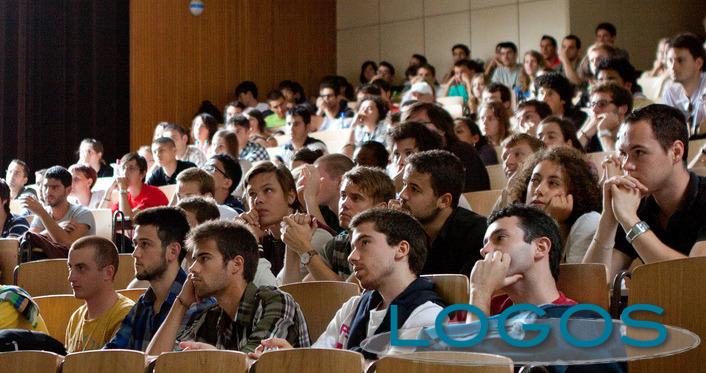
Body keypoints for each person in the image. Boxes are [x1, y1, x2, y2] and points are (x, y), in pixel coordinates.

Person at [252, 208, 446, 359]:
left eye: (365, 243)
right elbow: (320, 362)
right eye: (352, 247)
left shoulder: (429, 319)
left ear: (401, 249)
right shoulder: (353, 307)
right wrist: (292, 358)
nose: (352, 257)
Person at [146, 220, 310, 354]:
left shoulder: (276, 302)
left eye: (204, 258)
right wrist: (181, 304)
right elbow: (154, 363)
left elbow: (256, 362)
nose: (192, 268)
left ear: (236, 264)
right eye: (194, 259)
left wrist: (216, 360)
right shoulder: (212, 316)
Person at [583, 104, 706, 280]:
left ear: (676, 152)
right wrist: (609, 216)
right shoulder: (635, 203)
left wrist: (631, 221)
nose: (626, 165)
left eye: (639, 152)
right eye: (623, 154)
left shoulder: (631, 212)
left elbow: (697, 279)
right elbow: (591, 284)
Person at [104, 207, 191, 351]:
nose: (135, 253)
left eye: (145, 244)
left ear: (173, 251)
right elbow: (112, 355)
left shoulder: (195, 305)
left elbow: (168, 365)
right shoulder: (143, 304)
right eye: (135, 244)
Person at [391, 150, 487, 274]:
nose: (403, 195)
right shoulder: (404, 230)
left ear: (444, 201)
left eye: (414, 189)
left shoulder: (477, 235)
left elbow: (462, 290)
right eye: (404, 184)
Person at [507, 147, 601, 263]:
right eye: (535, 180)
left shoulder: (588, 222)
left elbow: (562, 280)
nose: (538, 190)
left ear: (574, 193)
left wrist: (553, 223)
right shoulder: (515, 229)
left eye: (553, 183)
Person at [237, 162, 331, 277]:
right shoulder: (261, 237)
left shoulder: (313, 235)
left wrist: (255, 245)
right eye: (252, 194)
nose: (258, 200)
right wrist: (240, 239)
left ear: (291, 196)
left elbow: (277, 291)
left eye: (268, 190)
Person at [176, 196, 277, 287]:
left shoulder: (225, 263)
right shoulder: (176, 261)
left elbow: (274, 291)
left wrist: (253, 242)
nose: (177, 230)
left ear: (205, 229)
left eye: (185, 224)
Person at [402, 102, 490, 192]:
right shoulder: (409, 157)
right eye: (409, 126)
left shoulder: (461, 152)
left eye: (420, 124)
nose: (413, 132)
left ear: (441, 128)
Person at [65, 236, 134, 352]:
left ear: (108, 273)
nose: (71, 278)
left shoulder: (125, 315)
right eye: (70, 268)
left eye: (81, 268)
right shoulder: (76, 317)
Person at [20, 166, 95, 260]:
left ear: (68, 190)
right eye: (45, 186)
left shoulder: (82, 213)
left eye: (54, 187)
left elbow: (66, 245)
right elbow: (29, 241)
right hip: (45, 266)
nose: (48, 192)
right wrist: (58, 226)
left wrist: (42, 213)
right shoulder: (42, 213)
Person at [296, 154, 354, 235]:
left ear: (340, 181)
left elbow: (329, 243)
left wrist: (310, 198)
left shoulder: (354, 214)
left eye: (316, 177)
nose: (309, 183)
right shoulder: (326, 213)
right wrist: (305, 204)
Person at [661, 33, 706, 134]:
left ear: (698, 63)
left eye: (680, 61)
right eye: (670, 60)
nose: (673, 67)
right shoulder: (670, 92)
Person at [110, 152, 169, 220]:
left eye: (131, 168)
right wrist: (109, 191)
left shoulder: (154, 194)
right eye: (123, 168)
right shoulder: (127, 196)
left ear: (142, 174)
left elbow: (127, 221)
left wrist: (122, 189)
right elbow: (105, 217)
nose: (125, 173)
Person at [576, 82, 633, 151]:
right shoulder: (593, 133)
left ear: (623, 109)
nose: (594, 110)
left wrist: (603, 131)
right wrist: (586, 133)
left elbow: (619, 160)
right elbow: (566, 157)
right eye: (592, 105)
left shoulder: (635, 135)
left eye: (602, 104)